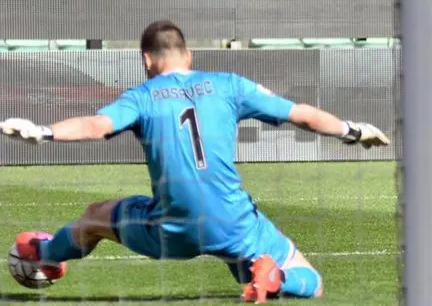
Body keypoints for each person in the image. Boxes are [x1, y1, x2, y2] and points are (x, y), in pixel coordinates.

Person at [1, 20, 391, 304]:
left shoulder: (142, 96)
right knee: (312, 281)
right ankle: (276, 278)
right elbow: (302, 114)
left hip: (173, 227)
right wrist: (352, 130)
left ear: (146, 60)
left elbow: (96, 124)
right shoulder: (230, 85)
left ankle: (45, 258)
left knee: (94, 217)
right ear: (189, 55)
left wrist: (44, 131)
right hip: (234, 222)